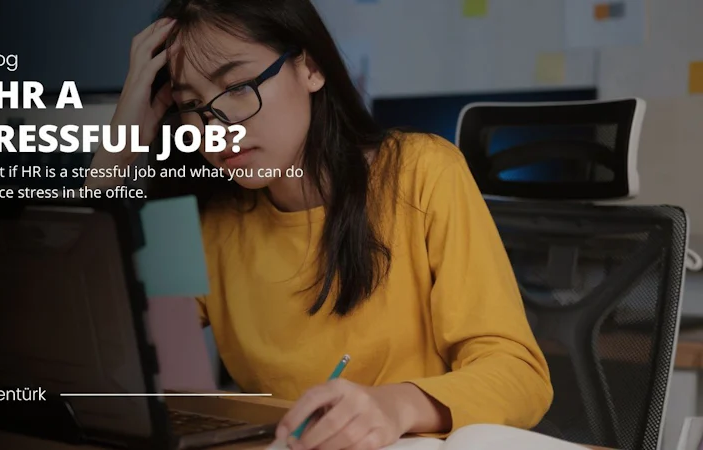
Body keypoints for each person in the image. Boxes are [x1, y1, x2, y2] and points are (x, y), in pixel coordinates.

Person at [87, 1, 553, 449]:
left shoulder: (422, 173)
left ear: (310, 67)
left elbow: (519, 374)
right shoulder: (198, 218)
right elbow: (114, 363)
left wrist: (396, 406)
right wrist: (114, 157)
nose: (216, 127)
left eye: (235, 88)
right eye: (192, 104)